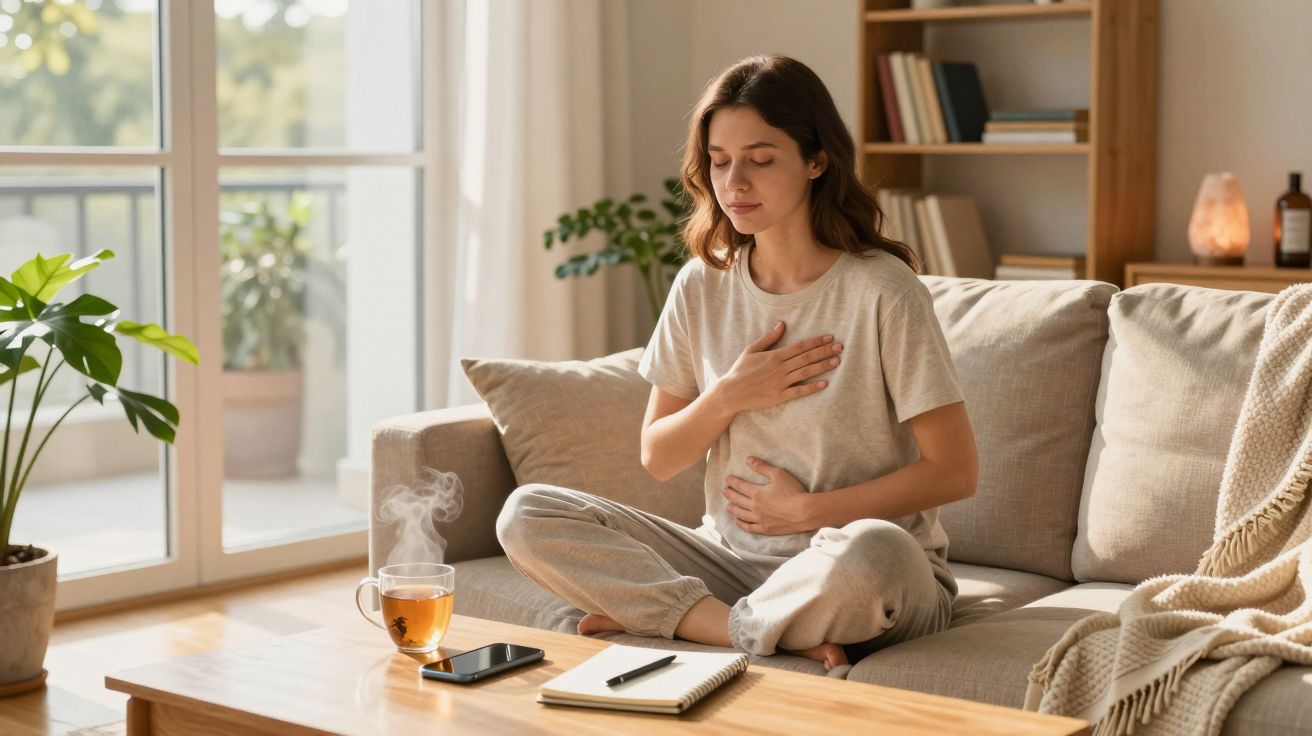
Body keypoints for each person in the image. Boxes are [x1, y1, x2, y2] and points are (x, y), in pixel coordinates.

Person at [496, 54, 978, 672]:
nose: (735, 183)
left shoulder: (884, 291)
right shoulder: (702, 285)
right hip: (728, 561)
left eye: (760, 158)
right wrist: (730, 395)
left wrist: (807, 512)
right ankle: (740, 627)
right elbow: (659, 454)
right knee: (527, 512)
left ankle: (691, 618)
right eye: (720, 162)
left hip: (862, 569)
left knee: (876, 552)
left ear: (816, 160)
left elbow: (955, 472)